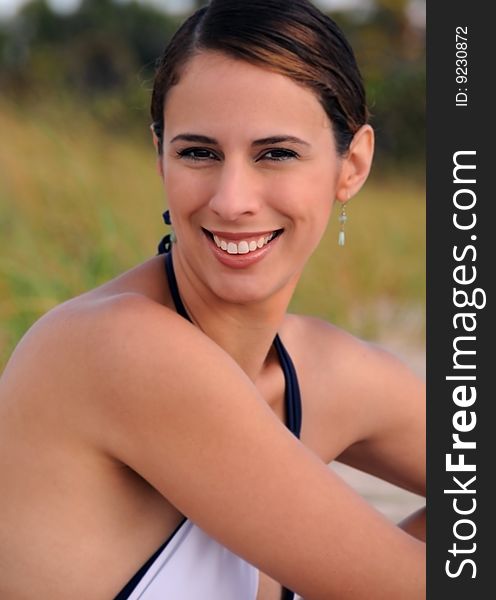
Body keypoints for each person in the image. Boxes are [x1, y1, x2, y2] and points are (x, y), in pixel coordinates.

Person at [0, 0, 425, 598]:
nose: (231, 200)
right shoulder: (114, 349)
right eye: (198, 152)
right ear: (160, 156)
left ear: (350, 165)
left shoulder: (330, 375)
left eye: (276, 153)